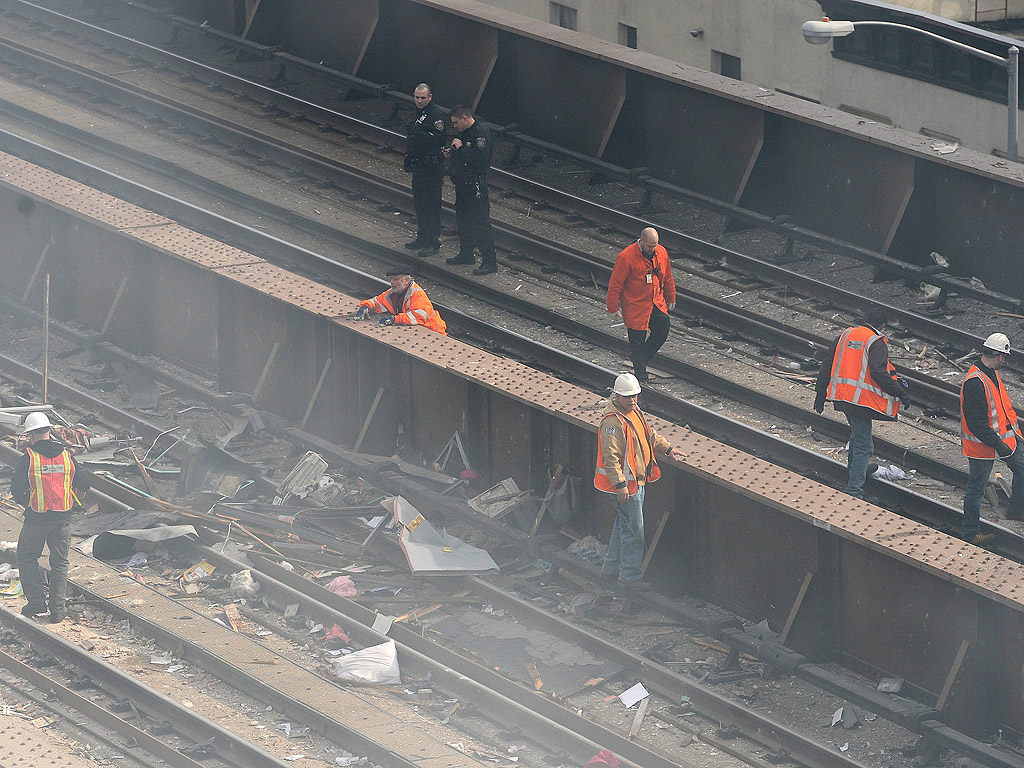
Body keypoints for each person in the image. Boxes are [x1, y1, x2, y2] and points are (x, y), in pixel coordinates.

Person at [593, 373, 684, 590]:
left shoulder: (634, 414)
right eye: (627, 397)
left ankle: (609, 569)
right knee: (634, 531)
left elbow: (648, 436)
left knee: (622, 525)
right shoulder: (612, 423)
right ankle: (629, 577)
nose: (632, 400)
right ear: (616, 396)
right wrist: (620, 485)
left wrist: (668, 448)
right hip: (626, 487)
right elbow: (610, 457)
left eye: (635, 396)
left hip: (635, 484)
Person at [814, 308, 909, 499]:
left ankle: (855, 470)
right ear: (883, 325)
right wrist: (900, 392)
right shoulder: (876, 342)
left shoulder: (845, 335)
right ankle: (854, 490)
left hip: (842, 397)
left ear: (866, 318)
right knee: (865, 446)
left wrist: (820, 393)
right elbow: (878, 372)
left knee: (858, 438)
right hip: (862, 402)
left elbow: (827, 364)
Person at [12, 412, 91, 622]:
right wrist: (74, 500)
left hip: (36, 520)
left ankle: (37, 604)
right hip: (63, 518)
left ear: (31, 436)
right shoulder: (67, 456)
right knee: (60, 563)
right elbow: (84, 484)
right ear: (49, 431)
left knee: (27, 557)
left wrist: (31, 502)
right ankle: (58, 611)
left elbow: (17, 491)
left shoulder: (29, 458)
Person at [960, 332, 1023, 546]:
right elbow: (977, 424)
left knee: (1022, 468)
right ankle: (970, 533)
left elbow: (1001, 409)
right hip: (982, 446)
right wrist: (999, 445)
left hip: (1005, 440)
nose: (1004, 361)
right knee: (976, 489)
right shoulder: (975, 382)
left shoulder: (990, 374)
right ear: (998, 356)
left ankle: (1016, 510)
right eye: (1004, 356)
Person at [606, 228, 676, 383]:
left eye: (655, 245)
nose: (653, 249)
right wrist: (613, 307)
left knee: (663, 328)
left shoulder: (661, 252)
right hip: (635, 306)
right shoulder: (626, 257)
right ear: (641, 241)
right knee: (637, 342)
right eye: (650, 246)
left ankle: (639, 359)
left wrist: (671, 296)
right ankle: (641, 378)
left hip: (655, 301)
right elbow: (615, 284)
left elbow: (668, 276)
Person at [444, 105, 496, 276]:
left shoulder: (480, 134)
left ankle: (489, 262)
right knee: (463, 220)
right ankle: (466, 254)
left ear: (465, 119)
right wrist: (453, 154)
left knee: (481, 223)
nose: (455, 126)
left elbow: (479, 161)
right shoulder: (465, 132)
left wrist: (460, 148)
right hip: (463, 184)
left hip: (475, 186)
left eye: (456, 122)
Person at [403, 84, 447, 258]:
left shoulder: (436, 115)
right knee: (420, 204)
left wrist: (418, 133)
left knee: (431, 204)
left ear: (430, 97)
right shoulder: (418, 113)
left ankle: (432, 242)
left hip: (432, 167)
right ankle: (422, 238)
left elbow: (439, 140)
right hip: (419, 165)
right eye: (416, 97)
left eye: (422, 98)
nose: (419, 101)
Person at [355, 269, 447, 335]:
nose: (392, 282)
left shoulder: (417, 294)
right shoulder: (393, 293)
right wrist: (366, 306)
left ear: (407, 280)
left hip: (433, 331)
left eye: (395, 279)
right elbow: (377, 302)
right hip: (421, 331)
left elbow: (418, 317)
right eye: (391, 279)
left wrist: (394, 319)